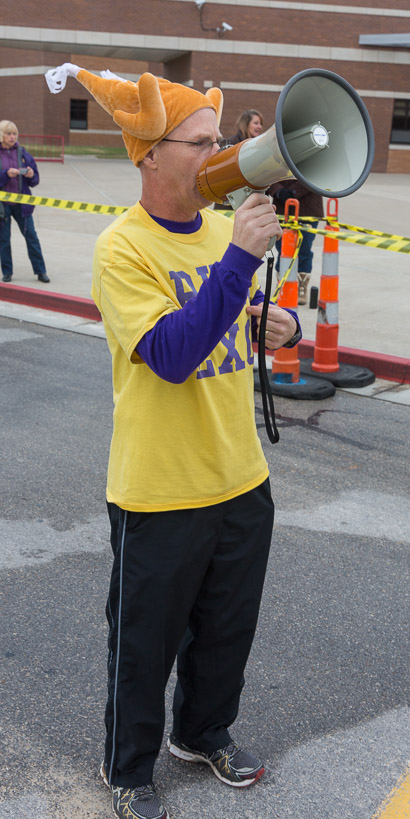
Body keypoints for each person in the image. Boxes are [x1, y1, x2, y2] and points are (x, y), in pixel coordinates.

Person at [45, 63, 302, 819]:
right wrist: (240, 262)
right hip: (158, 490)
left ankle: (202, 733)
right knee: (142, 646)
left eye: (220, 140)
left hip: (240, 477)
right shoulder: (121, 249)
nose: (219, 154)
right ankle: (128, 770)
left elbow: (226, 321)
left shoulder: (224, 232)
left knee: (226, 632)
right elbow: (170, 353)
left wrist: (275, 324)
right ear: (150, 154)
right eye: (202, 143)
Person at [0, 121, 49, 284]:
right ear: (1, 135)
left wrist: (30, 175)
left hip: (23, 205)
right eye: (8, 133)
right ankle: (7, 272)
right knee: (4, 240)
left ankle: (41, 271)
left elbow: (35, 180)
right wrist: (6, 174)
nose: (12, 137)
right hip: (3, 206)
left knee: (31, 237)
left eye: (14, 133)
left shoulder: (23, 153)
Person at [267, 179, 323, 305]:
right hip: (282, 207)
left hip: (307, 207)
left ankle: (301, 286)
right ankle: (282, 285)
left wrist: (293, 192)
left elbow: (316, 175)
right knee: (282, 249)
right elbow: (267, 172)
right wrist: (278, 191)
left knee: (304, 249)